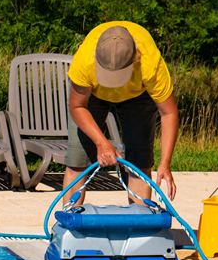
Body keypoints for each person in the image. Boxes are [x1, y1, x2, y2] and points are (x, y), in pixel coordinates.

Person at [63, 21, 178, 206]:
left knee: (139, 163)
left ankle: (138, 221)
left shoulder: (150, 63)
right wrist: (102, 143)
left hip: (138, 94)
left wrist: (165, 163)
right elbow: (77, 107)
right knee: (78, 160)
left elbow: (168, 113)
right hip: (92, 94)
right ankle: (69, 219)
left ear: (135, 58)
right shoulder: (84, 60)